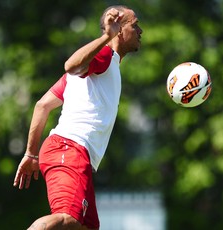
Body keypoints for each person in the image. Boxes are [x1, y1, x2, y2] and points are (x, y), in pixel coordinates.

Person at [13, 5, 142, 230]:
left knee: (86, 227)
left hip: (70, 152)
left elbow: (43, 105)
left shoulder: (101, 67)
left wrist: (31, 154)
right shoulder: (104, 55)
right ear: (119, 30)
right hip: (69, 149)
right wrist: (106, 37)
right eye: (135, 25)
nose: (141, 31)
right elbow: (71, 65)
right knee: (67, 218)